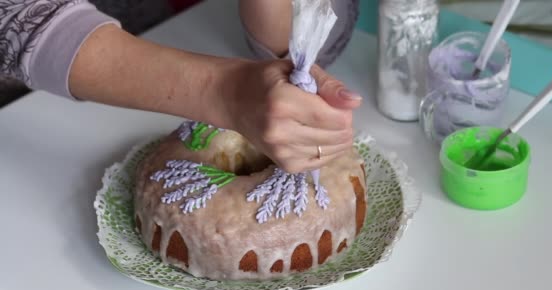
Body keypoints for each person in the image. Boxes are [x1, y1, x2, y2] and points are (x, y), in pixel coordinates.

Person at [0, 0, 362, 173]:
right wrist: (224, 91)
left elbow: (317, 38)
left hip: (176, 30)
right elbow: (14, 19)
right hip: (22, 118)